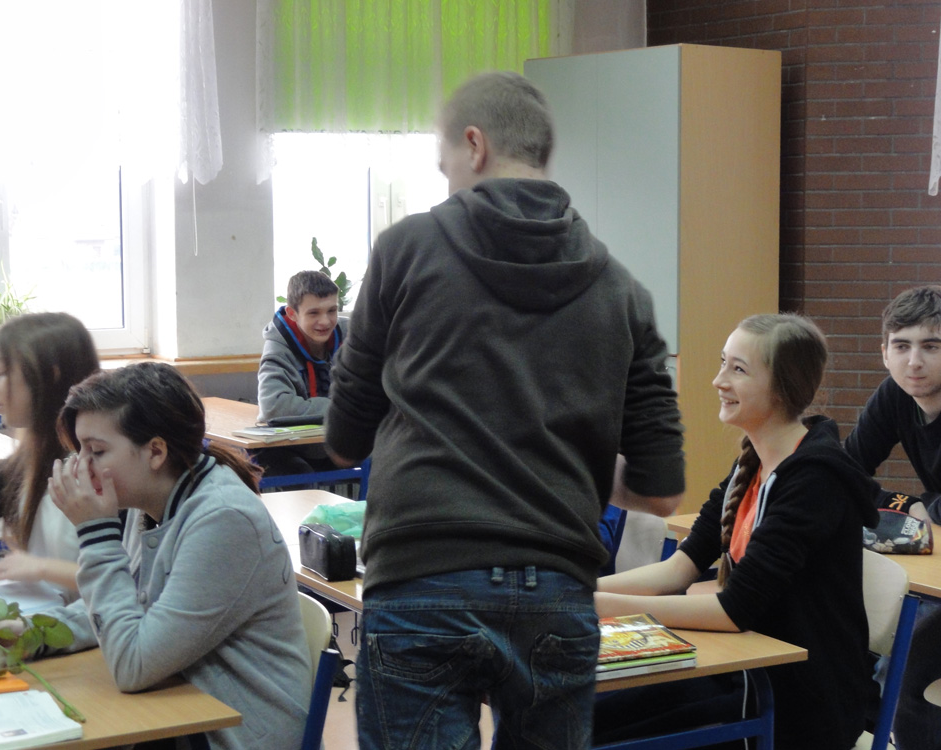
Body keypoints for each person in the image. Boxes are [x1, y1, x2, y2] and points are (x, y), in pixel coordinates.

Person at [324, 71, 685, 749]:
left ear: (475, 144)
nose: (447, 186)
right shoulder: (623, 291)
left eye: (445, 168)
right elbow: (661, 491)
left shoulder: (405, 250)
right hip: (558, 589)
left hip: (422, 574)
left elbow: (344, 438)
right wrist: (565, 462)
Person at [593, 314, 879, 750]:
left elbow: (733, 611)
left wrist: (595, 605)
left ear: (782, 388)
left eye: (738, 369)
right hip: (745, 672)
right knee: (581, 715)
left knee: (587, 729)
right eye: (723, 363)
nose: (718, 380)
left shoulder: (816, 479)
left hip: (799, 701)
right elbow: (678, 569)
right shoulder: (752, 464)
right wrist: (575, 589)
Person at [43, 362, 311, 750]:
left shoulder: (225, 519)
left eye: (96, 451)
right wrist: (35, 633)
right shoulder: (151, 500)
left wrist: (97, 534)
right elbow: (127, 607)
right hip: (182, 716)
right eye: (79, 450)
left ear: (155, 451)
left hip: (234, 735)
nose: (80, 467)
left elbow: (134, 664)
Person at [0, 312, 99, 600]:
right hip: (43, 613)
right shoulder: (31, 459)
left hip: (87, 623)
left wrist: (42, 568)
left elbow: (129, 579)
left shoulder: (101, 466)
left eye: (3, 372)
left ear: (50, 377)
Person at [843, 285, 941, 750]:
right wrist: (906, 504)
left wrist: (929, 508)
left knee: (911, 651)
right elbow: (845, 471)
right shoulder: (895, 396)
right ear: (884, 353)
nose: (914, 362)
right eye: (901, 346)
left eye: (931, 346)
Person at [256, 269, 348, 475]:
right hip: (296, 448)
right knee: (298, 472)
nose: (325, 321)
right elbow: (274, 407)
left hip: (344, 440)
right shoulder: (278, 347)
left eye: (332, 310)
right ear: (292, 314)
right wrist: (346, 407)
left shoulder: (352, 334)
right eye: (314, 313)